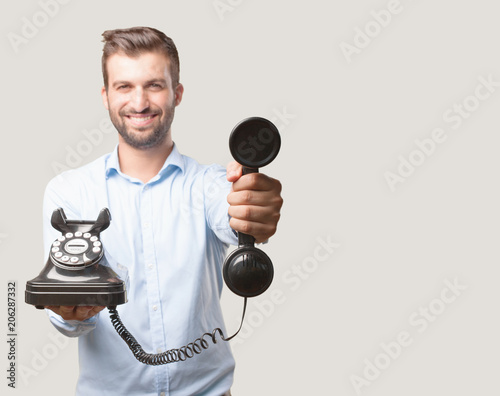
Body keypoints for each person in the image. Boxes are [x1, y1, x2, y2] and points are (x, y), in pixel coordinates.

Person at [42, 26, 283, 396]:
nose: (139, 102)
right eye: (124, 86)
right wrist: (69, 310)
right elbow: (68, 320)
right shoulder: (69, 192)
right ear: (106, 96)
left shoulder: (211, 185)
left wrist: (255, 209)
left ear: (177, 93)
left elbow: (241, 217)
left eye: (154, 85)